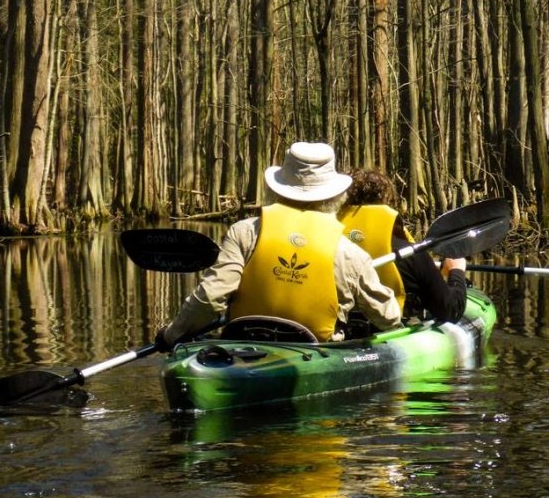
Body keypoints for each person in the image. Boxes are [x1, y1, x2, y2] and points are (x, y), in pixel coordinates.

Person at [156, 143, 401, 348]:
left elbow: (210, 298)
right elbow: (388, 317)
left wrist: (172, 334)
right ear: (334, 195)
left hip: (242, 345)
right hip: (315, 350)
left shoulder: (244, 232)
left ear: (279, 187)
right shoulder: (351, 253)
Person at [338, 170, 468, 324]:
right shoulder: (410, 254)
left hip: (342, 328)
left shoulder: (331, 245)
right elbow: (450, 309)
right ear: (387, 203)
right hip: (390, 329)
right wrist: (456, 271)